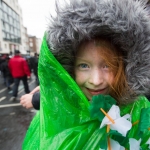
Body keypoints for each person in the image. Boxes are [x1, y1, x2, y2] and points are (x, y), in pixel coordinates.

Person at [22, 0, 150, 149]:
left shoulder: (140, 113)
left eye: (107, 66)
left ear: (127, 67)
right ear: (70, 70)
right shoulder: (52, 114)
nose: (96, 81)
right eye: (84, 66)